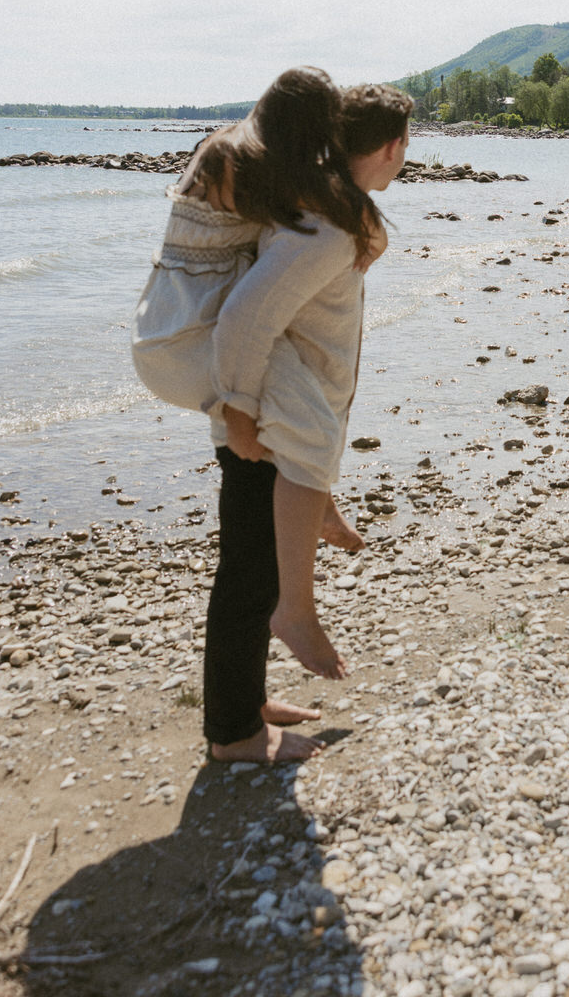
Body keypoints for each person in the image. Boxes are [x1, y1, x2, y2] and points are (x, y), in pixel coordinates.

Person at [203, 78, 412, 764]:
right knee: (248, 576)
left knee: (256, 570)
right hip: (261, 418)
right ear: (392, 146)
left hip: (276, 413)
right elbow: (243, 319)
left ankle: (247, 704)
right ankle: (234, 733)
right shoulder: (323, 228)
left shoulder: (328, 213)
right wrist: (236, 415)